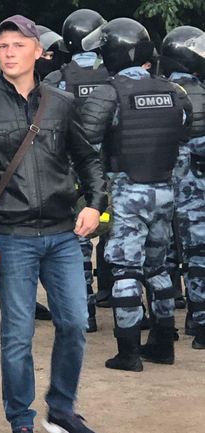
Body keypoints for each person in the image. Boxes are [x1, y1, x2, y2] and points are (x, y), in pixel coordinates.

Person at [0, 14, 106, 433]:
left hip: (62, 235)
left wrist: (94, 204)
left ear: (39, 51)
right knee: (17, 336)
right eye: (2, 46)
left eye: (18, 45)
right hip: (11, 237)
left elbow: (89, 159)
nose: (9, 53)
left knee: (74, 323)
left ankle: (61, 409)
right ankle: (21, 419)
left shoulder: (60, 102)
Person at [81, 17, 192, 371]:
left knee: (125, 269)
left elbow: (85, 146)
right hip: (164, 191)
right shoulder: (175, 92)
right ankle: (162, 343)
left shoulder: (108, 93)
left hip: (127, 193)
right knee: (160, 267)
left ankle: (128, 352)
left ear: (112, 54)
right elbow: (184, 135)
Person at [44, 9, 108, 332]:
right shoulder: (116, 76)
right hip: (112, 174)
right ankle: (128, 307)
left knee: (78, 244)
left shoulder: (55, 80)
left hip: (71, 176)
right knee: (120, 241)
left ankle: (88, 313)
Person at [160, 26, 205, 347]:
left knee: (160, 256)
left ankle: (162, 326)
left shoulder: (154, 91)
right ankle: (199, 322)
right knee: (199, 254)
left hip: (157, 186)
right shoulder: (201, 92)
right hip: (196, 192)